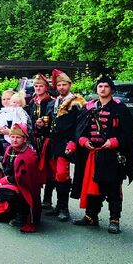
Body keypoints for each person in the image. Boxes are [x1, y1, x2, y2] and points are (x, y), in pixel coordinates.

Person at [72, 75, 133, 234]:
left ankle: (114, 220)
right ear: (97, 89)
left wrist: (114, 142)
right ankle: (91, 216)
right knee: (92, 187)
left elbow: (128, 134)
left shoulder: (120, 109)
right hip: (92, 155)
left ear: (111, 89)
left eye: (106, 86)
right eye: (100, 86)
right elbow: (79, 130)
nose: (103, 89)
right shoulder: (89, 108)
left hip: (112, 155)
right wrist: (82, 140)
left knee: (113, 188)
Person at [42, 69, 86, 222]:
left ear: (70, 85)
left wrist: (73, 143)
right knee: (54, 175)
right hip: (53, 143)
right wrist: (41, 124)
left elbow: (80, 126)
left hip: (66, 143)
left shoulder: (77, 103)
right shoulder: (54, 102)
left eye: (64, 84)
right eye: (59, 85)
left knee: (62, 174)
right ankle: (58, 207)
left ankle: (64, 209)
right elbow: (50, 124)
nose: (61, 87)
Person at [0, 123, 42, 233]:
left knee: (7, 190)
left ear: (24, 139)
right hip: (14, 183)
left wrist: (7, 180)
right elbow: (7, 169)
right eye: (12, 137)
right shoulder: (10, 149)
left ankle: (22, 215)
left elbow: (25, 179)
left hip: (24, 188)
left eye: (18, 137)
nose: (14, 140)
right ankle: (12, 212)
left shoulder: (29, 155)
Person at [0, 90, 31, 195]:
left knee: (11, 170)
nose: (6, 101)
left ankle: (13, 193)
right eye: (4, 99)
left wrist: (10, 132)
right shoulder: (0, 112)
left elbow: (28, 129)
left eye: (9, 99)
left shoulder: (22, 112)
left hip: (15, 146)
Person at [27, 74, 55, 209]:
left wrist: (44, 125)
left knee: (49, 170)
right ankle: (35, 197)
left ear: (46, 87)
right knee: (34, 170)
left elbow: (54, 121)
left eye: (41, 86)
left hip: (47, 140)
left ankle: (48, 199)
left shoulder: (52, 102)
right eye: (36, 86)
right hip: (34, 140)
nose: (38, 88)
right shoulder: (32, 102)